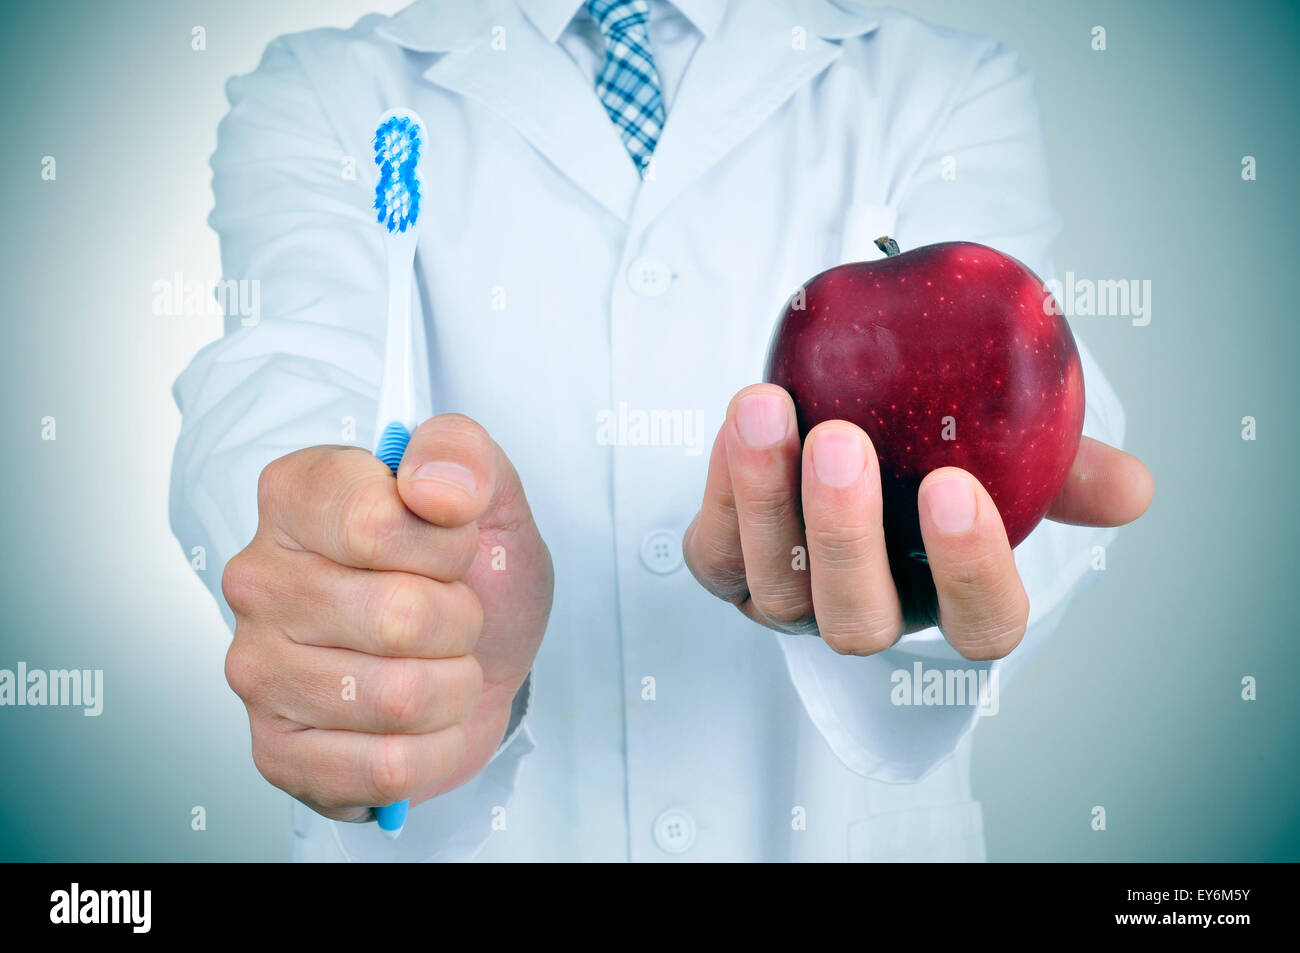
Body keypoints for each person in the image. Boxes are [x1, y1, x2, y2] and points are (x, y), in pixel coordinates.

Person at [170, 0, 1153, 861]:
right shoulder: (325, 90)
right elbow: (286, 371)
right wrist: (359, 584)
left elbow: (1042, 394)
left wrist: (925, 601)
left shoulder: (942, 81)